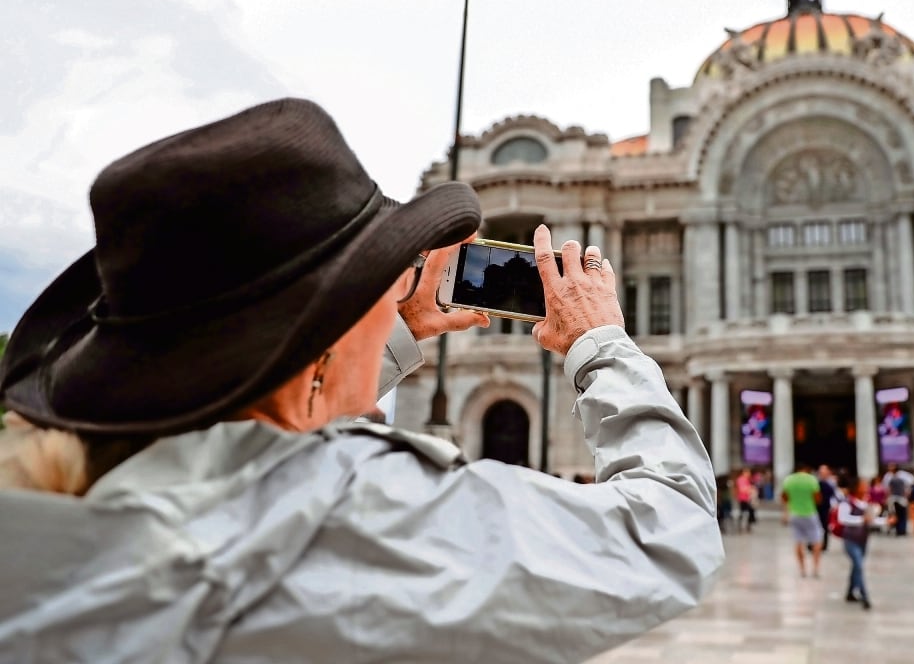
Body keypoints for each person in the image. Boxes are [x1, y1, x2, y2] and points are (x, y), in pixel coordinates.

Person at [0, 99, 725, 663]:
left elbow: (264, 417)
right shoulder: (360, 517)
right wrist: (602, 345)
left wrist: (380, 332)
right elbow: (671, 532)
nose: (391, 303)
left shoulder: (52, 516)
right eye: (376, 287)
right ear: (317, 353)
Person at [836, 477, 876, 610]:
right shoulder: (846, 503)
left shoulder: (866, 504)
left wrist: (887, 521)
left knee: (856, 567)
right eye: (863, 485)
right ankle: (865, 596)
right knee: (859, 565)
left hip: (863, 540)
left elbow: (871, 520)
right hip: (850, 540)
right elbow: (843, 519)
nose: (866, 488)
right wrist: (861, 519)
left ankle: (850, 593)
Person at [781, 462, 824, 577]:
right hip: (809, 513)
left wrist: (786, 512)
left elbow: (784, 497)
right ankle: (815, 568)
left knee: (798, 542)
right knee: (817, 540)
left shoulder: (788, 480)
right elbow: (818, 498)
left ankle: (802, 569)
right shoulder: (811, 480)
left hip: (794, 514)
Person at [881, 462, 914, 536]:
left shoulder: (895, 478)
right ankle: (901, 530)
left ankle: (899, 529)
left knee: (898, 514)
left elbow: (888, 490)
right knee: (901, 515)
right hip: (899, 499)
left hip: (895, 499)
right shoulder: (896, 478)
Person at [816, 464, 838, 550]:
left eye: (824, 471)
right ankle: (812, 544)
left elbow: (834, 495)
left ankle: (824, 545)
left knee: (825, 526)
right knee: (815, 526)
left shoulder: (831, 482)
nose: (822, 473)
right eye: (821, 471)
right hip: (816, 507)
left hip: (826, 508)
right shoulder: (815, 481)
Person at [736, 467, 758, 532]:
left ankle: (748, 526)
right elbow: (742, 489)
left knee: (751, 511)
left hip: (748, 499)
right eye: (747, 472)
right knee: (742, 512)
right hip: (743, 499)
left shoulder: (748, 480)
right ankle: (740, 526)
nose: (748, 474)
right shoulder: (740, 479)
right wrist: (750, 489)